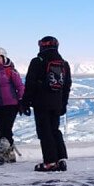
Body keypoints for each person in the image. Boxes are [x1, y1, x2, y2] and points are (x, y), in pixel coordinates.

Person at [21, 36, 72, 172]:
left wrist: (25, 102)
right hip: (57, 103)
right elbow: (67, 86)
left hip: (41, 102)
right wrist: (63, 104)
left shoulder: (37, 62)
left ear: (41, 46)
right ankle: (61, 160)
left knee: (44, 131)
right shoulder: (64, 64)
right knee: (54, 129)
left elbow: (30, 84)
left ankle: (50, 162)